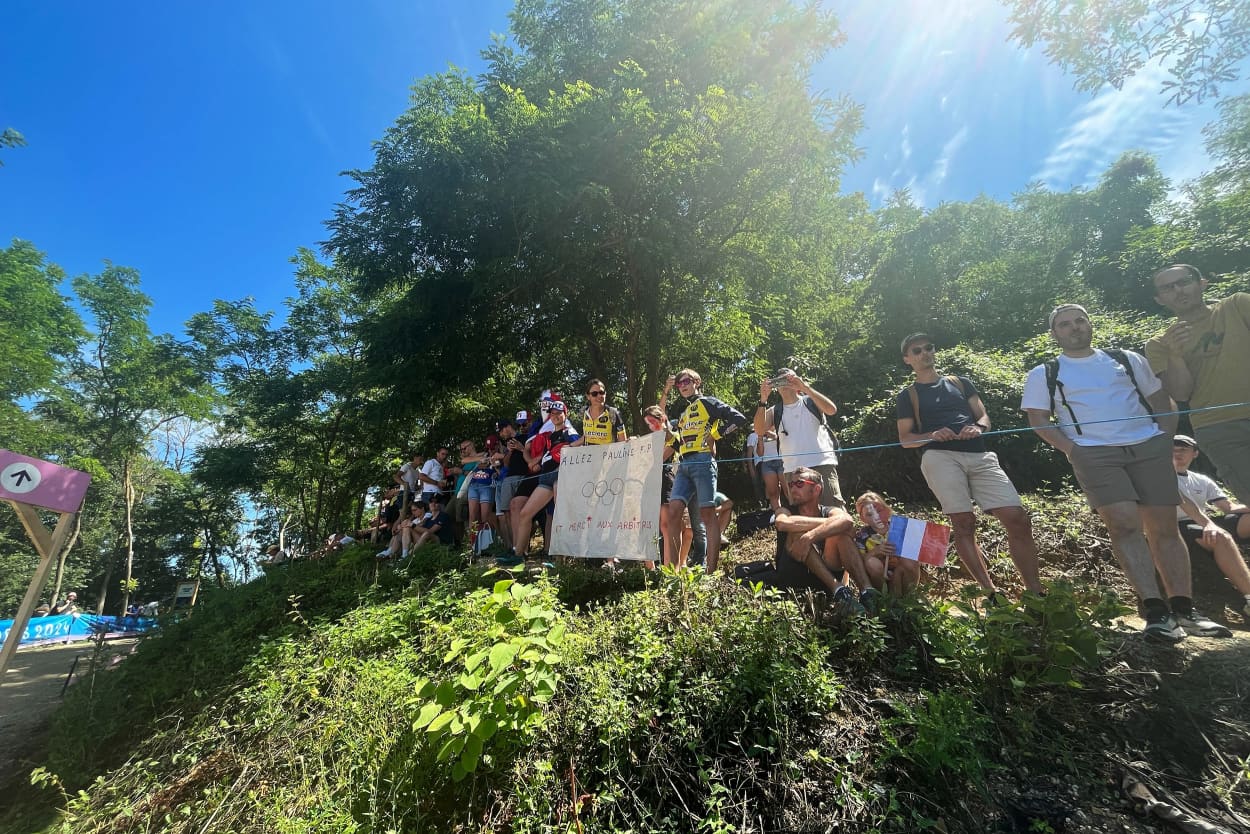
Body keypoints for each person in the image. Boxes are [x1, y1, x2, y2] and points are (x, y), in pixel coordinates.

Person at [1022, 303, 1230, 641]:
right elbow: (1038, 420)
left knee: (1164, 527)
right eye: (1065, 325)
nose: (1074, 328)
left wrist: (1162, 440)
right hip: (1094, 453)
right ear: (1054, 333)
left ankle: (1185, 610)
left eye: (1080, 321)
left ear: (1090, 324)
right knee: (1122, 525)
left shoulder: (1126, 359)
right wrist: (1074, 450)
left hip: (1148, 444)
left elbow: (1162, 402)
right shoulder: (1045, 372)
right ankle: (1156, 613)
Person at [896, 333, 1043, 596]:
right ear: (907, 359)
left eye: (928, 347)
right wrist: (931, 435)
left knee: (1017, 517)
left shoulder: (960, 382)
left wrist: (978, 428)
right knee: (963, 522)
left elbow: (984, 416)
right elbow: (905, 440)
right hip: (939, 458)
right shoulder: (907, 396)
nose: (924, 353)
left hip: (980, 454)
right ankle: (990, 593)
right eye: (916, 351)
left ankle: (1035, 593)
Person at [1145, 264, 1250, 507]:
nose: (1178, 290)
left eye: (1184, 282)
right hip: (1219, 428)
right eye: (1168, 288)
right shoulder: (1160, 344)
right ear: (1159, 299)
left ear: (1202, 283)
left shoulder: (1237, 305)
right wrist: (1175, 355)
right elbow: (1181, 393)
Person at [662, 369, 748, 572]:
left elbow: (738, 419)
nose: (682, 385)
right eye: (679, 383)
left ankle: (710, 571)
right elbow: (678, 444)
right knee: (673, 513)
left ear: (696, 382)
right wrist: (667, 432)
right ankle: (673, 573)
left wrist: (715, 435)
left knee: (707, 514)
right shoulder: (683, 415)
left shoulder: (707, 402)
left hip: (703, 461)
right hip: (683, 465)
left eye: (686, 381)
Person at [1170, 434, 1250, 617]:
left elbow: (1228, 507)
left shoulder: (1202, 480)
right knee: (1221, 536)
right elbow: (1182, 502)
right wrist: (1209, 525)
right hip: (1176, 525)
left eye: (1183, 449)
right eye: (1173, 449)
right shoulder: (1161, 476)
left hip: (1203, 521)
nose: (1177, 453)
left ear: (1195, 453)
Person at [754, 369, 843, 508]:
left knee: (835, 512)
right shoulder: (774, 410)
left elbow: (832, 410)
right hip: (793, 471)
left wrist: (805, 388)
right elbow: (759, 430)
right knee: (802, 517)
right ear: (776, 386)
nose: (785, 382)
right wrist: (763, 399)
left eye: (788, 378)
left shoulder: (811, 401)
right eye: (780, 380)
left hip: (822, 464)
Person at [772, 467, 863, 602]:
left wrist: (810, 537)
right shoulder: (784, 510)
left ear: (816, 489)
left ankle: (867, 591)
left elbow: (848, 521)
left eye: (800, 484)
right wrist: (830, 523)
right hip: (795, 584)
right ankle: (837, 588)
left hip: (825, 583)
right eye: (791, 484)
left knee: (842, 533)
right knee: (797, 533)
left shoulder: (830, 511)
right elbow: (783, 523)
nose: (793, 489)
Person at [509, 401, 579, 561]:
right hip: (545, 478)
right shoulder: (549, 436)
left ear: (565, 414)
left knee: (559, 516)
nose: (555, 416)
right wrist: (534, 461)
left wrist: (570, 446)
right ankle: (518, 556)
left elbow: (581, 442)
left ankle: (561, 560)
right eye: (552, 413)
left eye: (558, 413)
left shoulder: (569, 431)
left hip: (560, 475)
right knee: (525, 513)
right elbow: (544, 456)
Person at [841, 492, 922, 597]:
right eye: (869, 514)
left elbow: (917, 555)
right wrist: (876, 552)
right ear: (862, 518)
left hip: (901, 574)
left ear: (888, 510)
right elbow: (859, 562)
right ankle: (883, 599)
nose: (876, 517)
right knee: (872, 563)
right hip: (879, 579)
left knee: (910, 559)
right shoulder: (862, 536)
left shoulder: (900, 528)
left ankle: (908, 598)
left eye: (879, 511)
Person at [493, 419, 529, 549]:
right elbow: (507, 464)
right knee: (507, 511)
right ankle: (513, 546)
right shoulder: (506, 444)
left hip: (525, 476)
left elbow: (531, 455)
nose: (501, 434)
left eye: (502, 431)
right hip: (509, 478)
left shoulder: (526, 436)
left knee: (522, 510)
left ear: (508, 427)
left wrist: (520, 447)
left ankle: (523, 546)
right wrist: (509, 451)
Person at [574, 379, 627, 445]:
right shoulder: (583, 412)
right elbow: (585, 437)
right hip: (588, 454)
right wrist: (570, 446)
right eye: (594, 394)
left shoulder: (613, 413)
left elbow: (623, 441)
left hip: (608, 454)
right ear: (588, 396)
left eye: (601, 392)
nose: (599, 396)